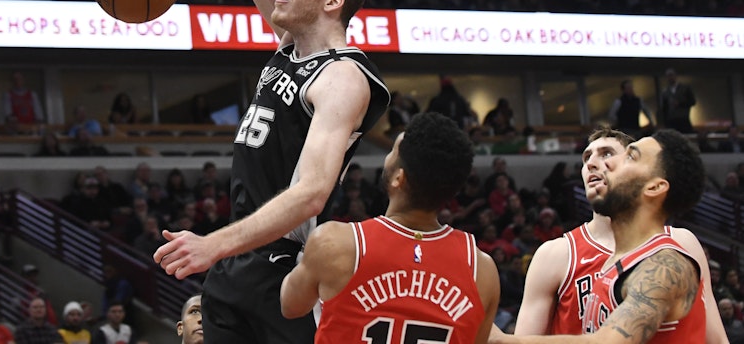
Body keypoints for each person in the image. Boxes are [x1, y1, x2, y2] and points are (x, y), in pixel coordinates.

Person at [153, 0, 390, 344]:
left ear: (333, 1)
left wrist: (214, 244)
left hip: (283, 268)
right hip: (235, 263)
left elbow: (309, 195)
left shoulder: (343, 78)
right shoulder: (289, 41)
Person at [280, 112, 499, 343]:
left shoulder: (334, 243)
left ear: (398, 178)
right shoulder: (482, 270)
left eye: (393, 150)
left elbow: (290, 305)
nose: (388, 157)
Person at [491, 129, 708, 343]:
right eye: (587, 158)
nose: (597, 164)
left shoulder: (667, 263)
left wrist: (504, 340)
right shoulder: (616, 261)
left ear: (654, 187)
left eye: (630, 156)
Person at [659, 68, 695, 134]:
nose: (670, 78)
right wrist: (663, 122)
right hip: (671, 121)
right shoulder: (665, 92)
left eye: (671, 75)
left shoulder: (685, 88)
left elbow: (692, 101)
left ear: (675, 76)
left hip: (683, 119)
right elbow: (664, 109)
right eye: (668, 76)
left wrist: (680, 104)